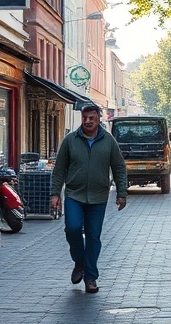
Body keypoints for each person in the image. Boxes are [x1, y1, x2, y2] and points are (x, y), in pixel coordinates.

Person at [49, 103, 128, 293]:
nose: (87, 121)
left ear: (98, 119)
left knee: (93, 237)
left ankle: (90, 277)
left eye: (91, 118)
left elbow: (119, 167)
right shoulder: (70, 140)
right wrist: (54, 193)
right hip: (74, 194)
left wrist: (121, 193)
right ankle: (79, 261)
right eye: (84, 118)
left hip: (99, 197)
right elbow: (59, 170)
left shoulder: (108, 141)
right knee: (72, 229)